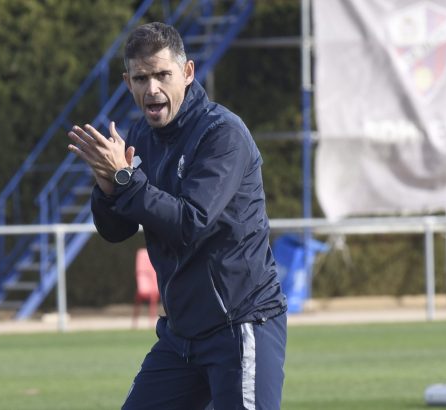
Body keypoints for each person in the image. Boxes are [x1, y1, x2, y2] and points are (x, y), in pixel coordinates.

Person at [68, 22, 287, 410]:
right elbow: (115, 230)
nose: (152, 88)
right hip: (181, 335)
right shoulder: (140, 135)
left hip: (240, 324)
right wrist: (107, 185)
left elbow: (191, 222)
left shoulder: (223, 134)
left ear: (187, 73)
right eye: (141, 77)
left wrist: (126, 178)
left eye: (162, 75)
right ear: (128, 82)